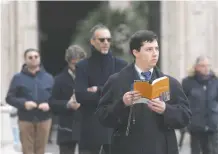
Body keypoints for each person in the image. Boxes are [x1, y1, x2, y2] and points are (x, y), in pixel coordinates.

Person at [96, 30, 191, 154]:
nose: (155, 53)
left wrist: (166, 109)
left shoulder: (170, 83)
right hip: (127, 148)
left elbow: (186, 117)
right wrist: (122, 103)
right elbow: (102, 116)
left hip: (161, 148)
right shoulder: (116, 81)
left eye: (156, 49)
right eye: (149, 49)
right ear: (136, 52)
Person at [75, 24, 128, 154]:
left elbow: (123, 94)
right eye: (102, 40)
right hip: (91, 129)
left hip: (115, 128)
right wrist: (111, 94)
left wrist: (98, 90)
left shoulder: (121, 65)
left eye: (108, 40)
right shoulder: (82, 66)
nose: (106, 43)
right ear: (93, 41)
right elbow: (81, 96)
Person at [6, 48, 54, 154]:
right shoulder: (18, 78)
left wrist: (49, 105)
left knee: (41, 150)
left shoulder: (48, 78)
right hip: (25, 119)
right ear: (25, 60)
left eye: (36, 57)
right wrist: (24, 104)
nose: (33, 59)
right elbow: (9, 98)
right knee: (27, 150)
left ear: (39, 59)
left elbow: (56, 97)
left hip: (44, 119)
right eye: (30, 57)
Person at [49, 45, 87, 154]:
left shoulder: (91, 78)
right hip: (66, 130)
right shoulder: (59, 79)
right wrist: (67, 104)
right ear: (68, 62)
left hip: (87, 130)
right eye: (74, 64)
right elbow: (51, 103)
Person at [182, 56, 218, 154]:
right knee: (196, 151)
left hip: (212, 125)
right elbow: (183, 102)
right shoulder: (188, 82)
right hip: (196, 125)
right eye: (203, 66)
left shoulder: (215, 81)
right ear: (196, 67)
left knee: (212, 151)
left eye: (208, 65)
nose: (206, 68)